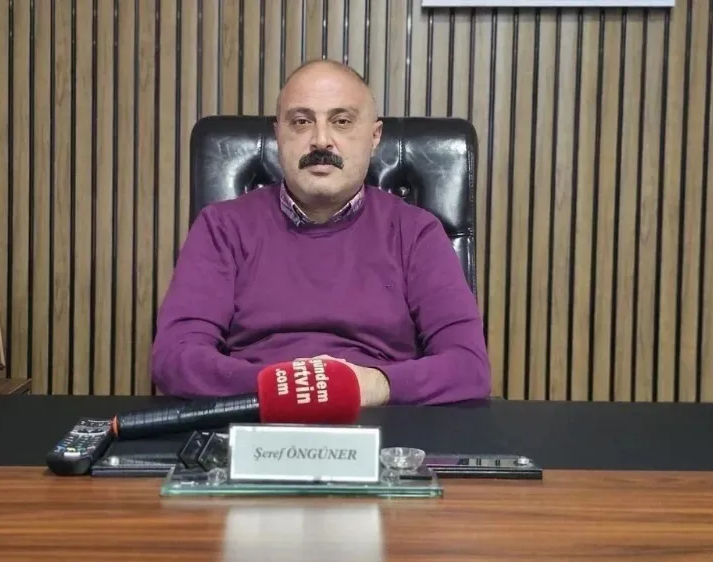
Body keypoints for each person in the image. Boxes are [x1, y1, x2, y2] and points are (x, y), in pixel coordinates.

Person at [151, 59, 491, 406]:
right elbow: (174, 358)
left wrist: (371, 385)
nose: (321, 141)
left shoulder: (417, 232)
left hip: (379, 420)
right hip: (256, 415)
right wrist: (288, 386)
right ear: (278, 135)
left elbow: (469, 366)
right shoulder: (222, 227)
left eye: (342, 121)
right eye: (301, 122)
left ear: (374, 137)